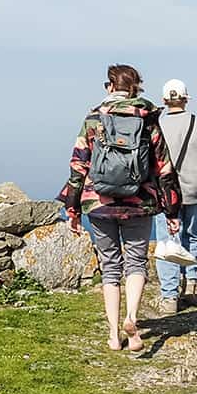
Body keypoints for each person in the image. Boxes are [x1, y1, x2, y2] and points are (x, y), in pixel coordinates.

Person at [60, 65, 182, 352]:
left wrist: (73, 208)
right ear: (136, 87)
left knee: (110, 267)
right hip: (140, 202)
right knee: (136, 263)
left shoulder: (94, 119)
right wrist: (172, 211)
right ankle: (132, 318)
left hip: (98, 203)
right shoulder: (148, 119)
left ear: (110, 87)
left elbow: (79, 164)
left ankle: (114, 335)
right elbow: (164, 167)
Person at [154, 78, 197, 313]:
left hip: (166, 191)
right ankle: (191, 285)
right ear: (185, 99)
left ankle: (169, 296)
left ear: (164, 100)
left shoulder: (158, 125)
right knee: (192, 235)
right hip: (195, 187)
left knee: (167, 241)